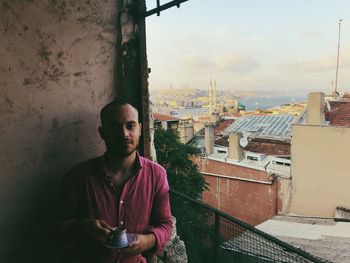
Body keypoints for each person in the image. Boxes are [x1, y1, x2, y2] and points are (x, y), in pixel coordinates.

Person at [57, 100, 173, 263]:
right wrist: (83, 228)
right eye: (115, 127)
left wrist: (148, 241)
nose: (124, 134)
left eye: (130, 126)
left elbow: (165, 224)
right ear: (102, 133)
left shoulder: (156, 175)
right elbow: (58, 228)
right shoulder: (78, 177)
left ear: (140, 129)